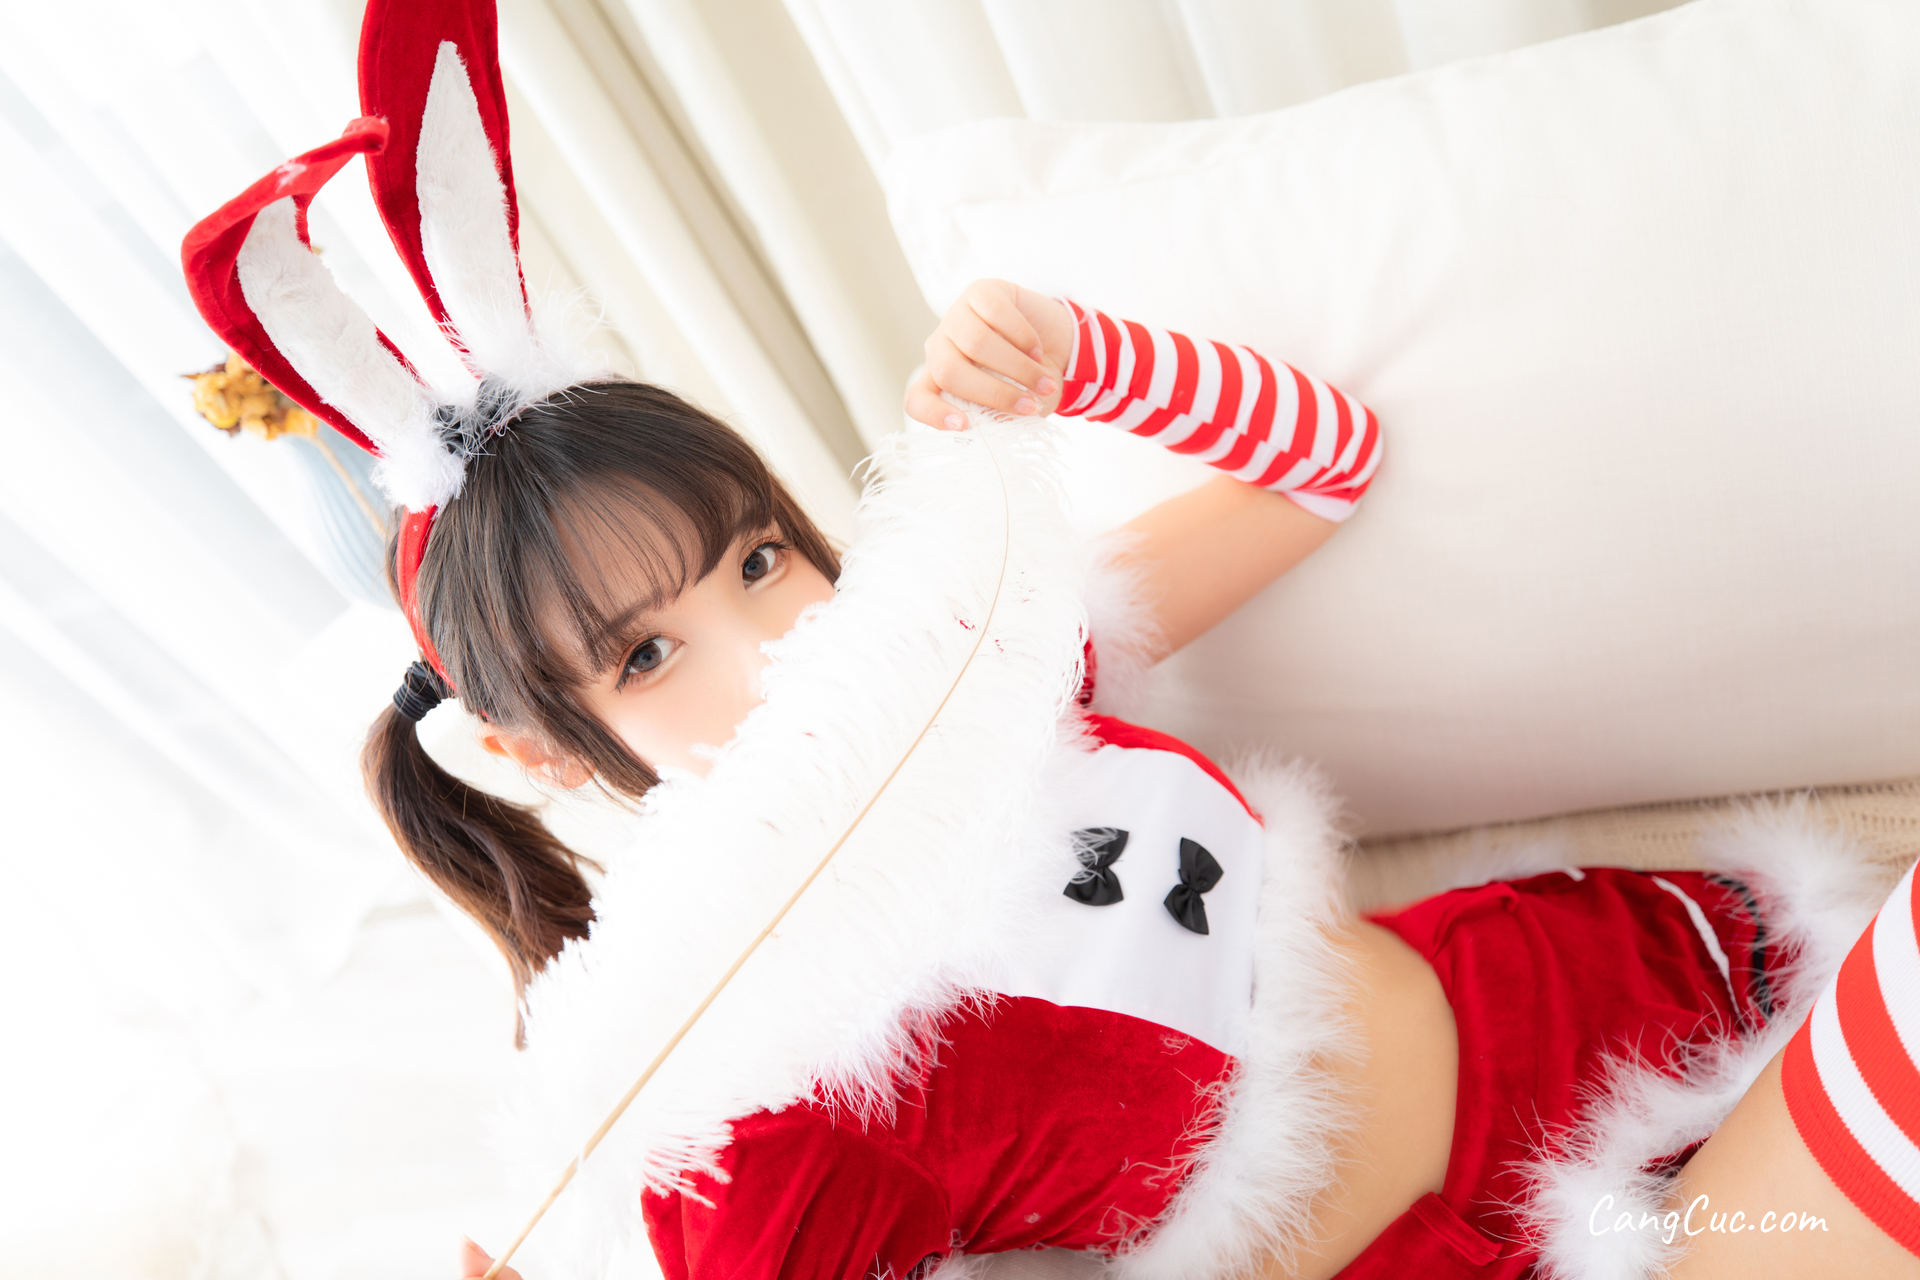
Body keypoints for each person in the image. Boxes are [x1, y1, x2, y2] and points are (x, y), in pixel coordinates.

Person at [177, 3, 1903, 1275]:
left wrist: (1086, 365)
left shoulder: (981, 673)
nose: (771, 648)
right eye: (645, 656)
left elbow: (1326, 462)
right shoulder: (735, 1112)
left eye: (760, 558)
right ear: (538, 754)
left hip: (1598, 993)